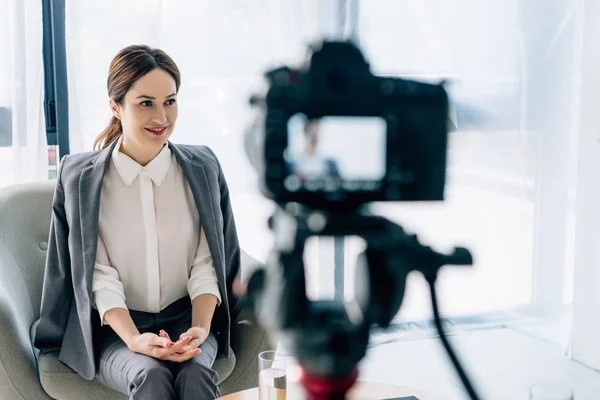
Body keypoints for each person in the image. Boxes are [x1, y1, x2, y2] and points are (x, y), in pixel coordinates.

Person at [33, 45, 241, 400]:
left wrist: (199, 329)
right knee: (151, 376)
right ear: (115, 106)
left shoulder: (202, 167)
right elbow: (97, 275)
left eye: (170, 101)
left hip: (188, 319)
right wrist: (133, 338)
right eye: (146, 103)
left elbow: (207, 263)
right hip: (115, 329)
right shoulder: (81, 178)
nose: (161, 116)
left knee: (195, 376)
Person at [287, 118, 340, 182]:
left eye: (317, 132)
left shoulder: (331, 164)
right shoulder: (293, 164)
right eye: (311, 133)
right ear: (305, 133)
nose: (315, 137)